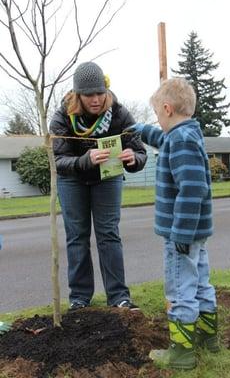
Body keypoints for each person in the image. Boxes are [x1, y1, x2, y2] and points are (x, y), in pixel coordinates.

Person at [125, 78, 219, 370]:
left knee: (179, 289)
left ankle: (181, 354)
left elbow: (192, 189)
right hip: (195, 233)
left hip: (183, 234)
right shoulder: (185, 134)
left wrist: (180, 232)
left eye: (156, 116)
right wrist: (142, 131)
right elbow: (162, 138)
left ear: (167, 109)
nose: (156, 121)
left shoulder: (181, 141)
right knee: (200, 283)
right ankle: (207, 337)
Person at [50, 61, 147, 311]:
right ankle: (79, 298)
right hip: (72, 180)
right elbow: (59, 161)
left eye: (100, 93)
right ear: (77, 95)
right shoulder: (62, 117)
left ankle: (118, 296)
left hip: (108, 178)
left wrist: (133, 159)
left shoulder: (121, 114)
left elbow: (140, 151)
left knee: (108, 235)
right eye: (89, 94)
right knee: (77, 237)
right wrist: (85, 159)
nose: (95, 99)